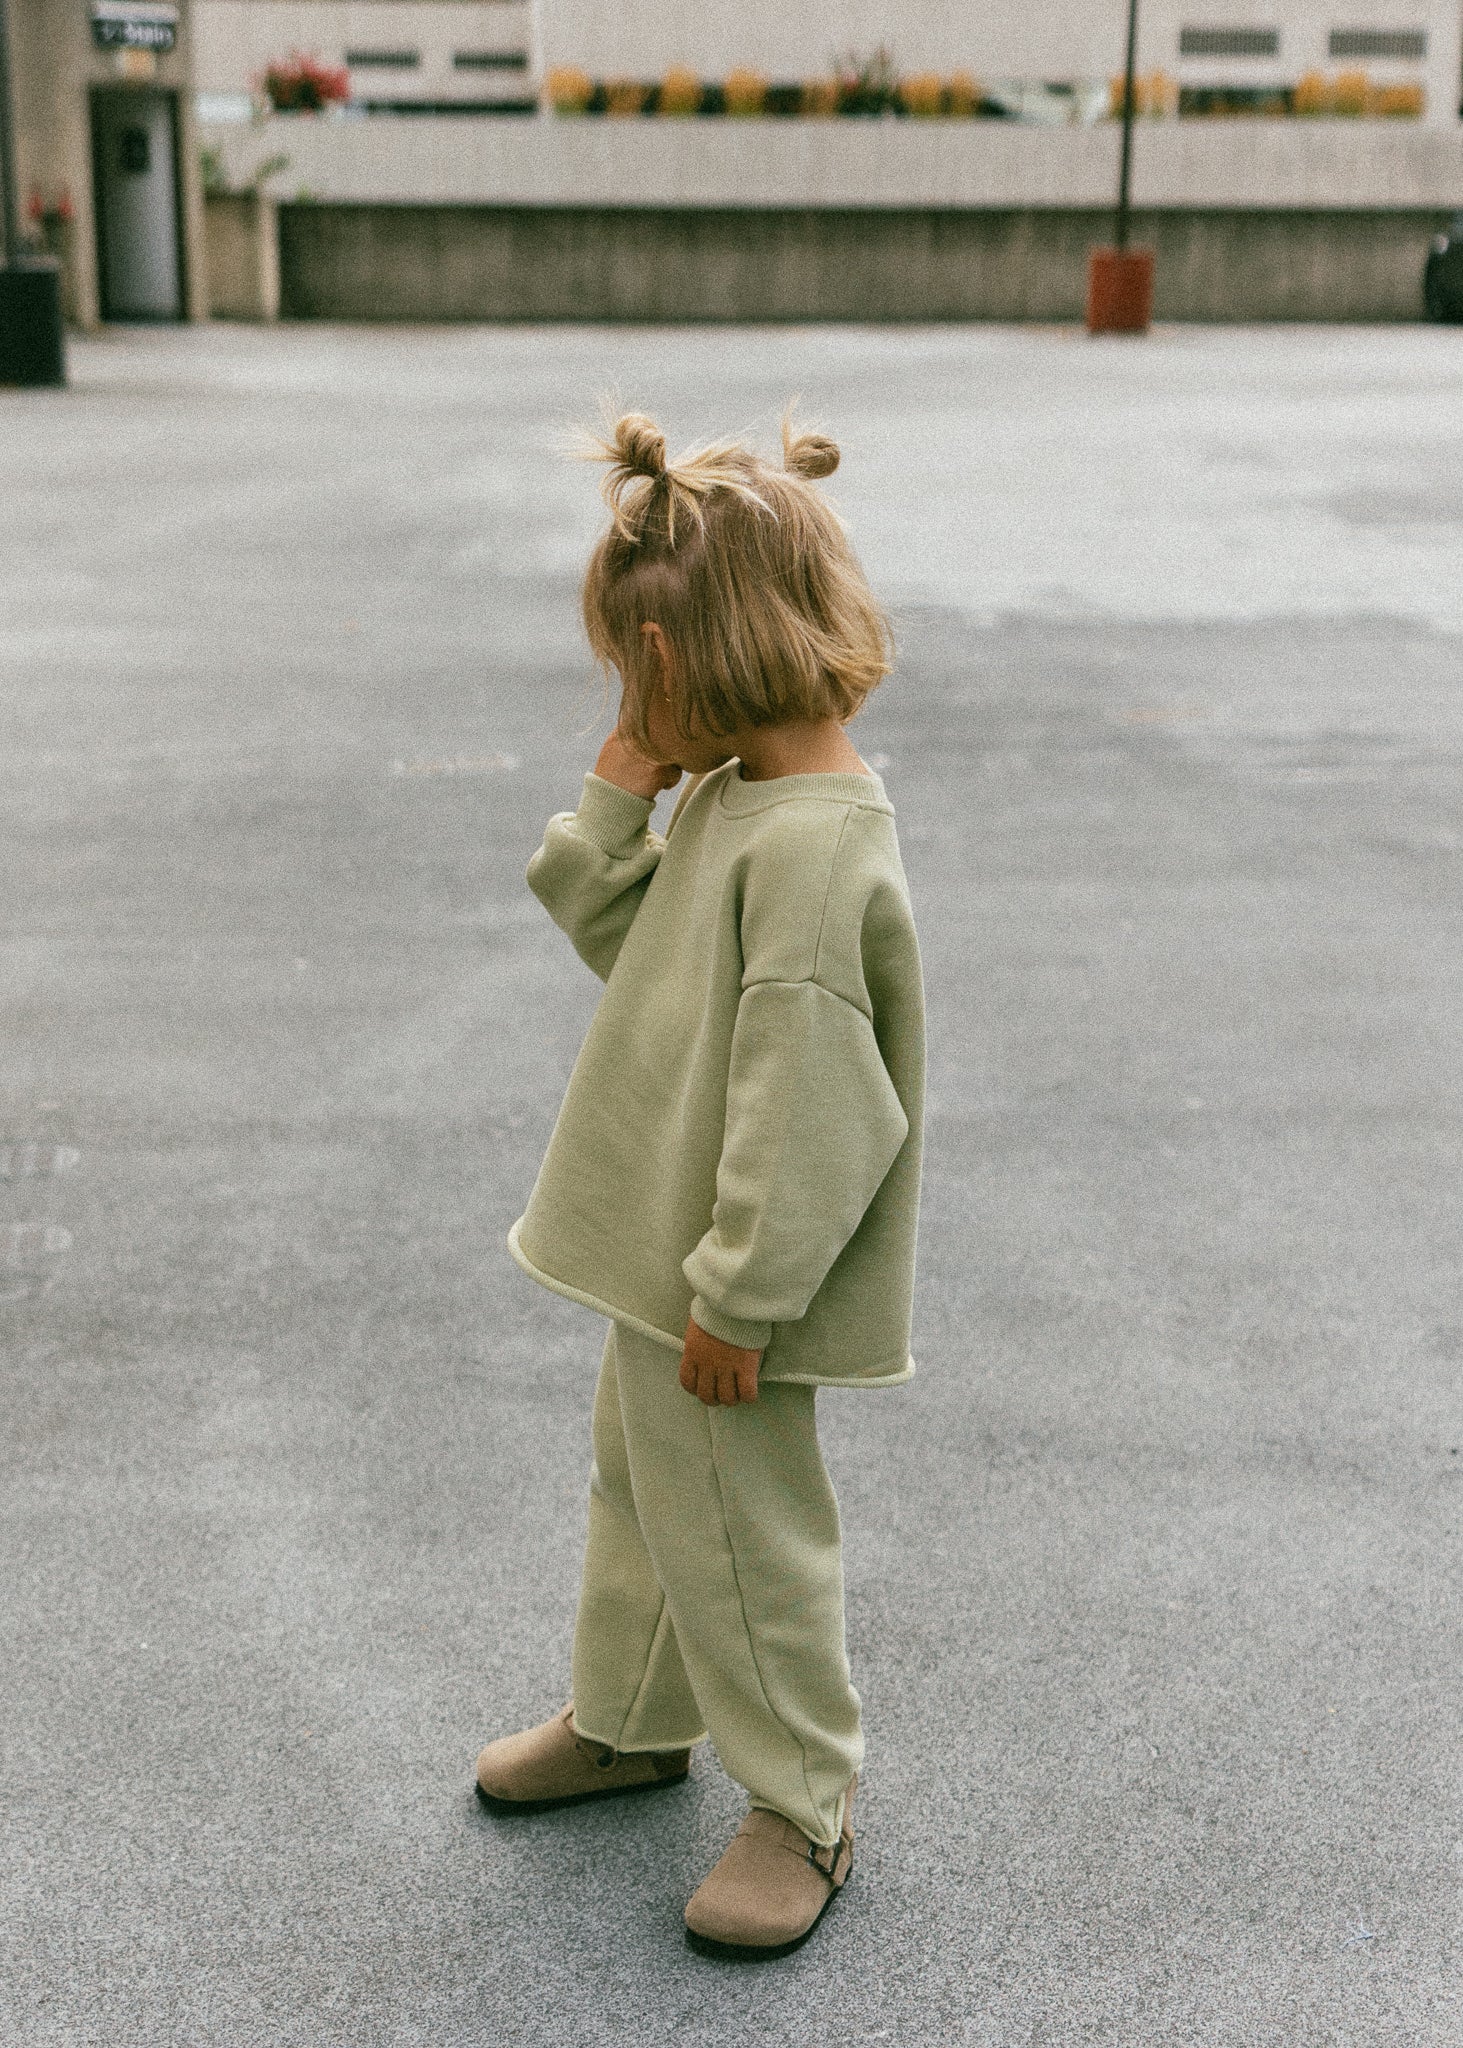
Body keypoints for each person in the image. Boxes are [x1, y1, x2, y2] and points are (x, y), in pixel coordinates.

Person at [474, 409, 925, 1959]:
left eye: (626, 675)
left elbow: (815, 1112)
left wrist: (739, 1295)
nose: (622, 700)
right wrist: (620, 792)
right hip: (666, 1265)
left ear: (678, 658)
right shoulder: (737, 798)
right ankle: (630, 1721)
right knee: (644, 1499)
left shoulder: (811, 853)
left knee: (744, 1544)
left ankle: (806, 1805)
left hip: (723, 1288)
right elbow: (642, 953)